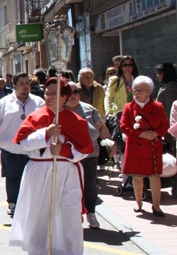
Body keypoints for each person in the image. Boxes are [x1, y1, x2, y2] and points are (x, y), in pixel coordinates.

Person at [9, 77, 94, 255]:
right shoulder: (36, 117)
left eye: (55, 94)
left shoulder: (76, 120)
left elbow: (85, 150)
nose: (49, 97)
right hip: (40, 170)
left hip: (67, 172)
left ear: (65, 97)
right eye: (47, 93)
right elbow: (23, 144)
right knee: (40, 212)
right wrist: (45, 134)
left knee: (71, 215)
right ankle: (37, 253)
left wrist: (64, 149)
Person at [0, 73, 45, 217]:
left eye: (27, 84)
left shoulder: (38, 102)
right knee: (12, 177)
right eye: (22, 84)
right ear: (14, 85)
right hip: (10, 149)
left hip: (33, 150)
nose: (25, 87)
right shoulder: (4, 102)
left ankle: (32, 205)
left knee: (33, 179)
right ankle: (13, 204)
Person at [120, 76, 170, 216]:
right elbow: (124, 126)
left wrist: (155, 133)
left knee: (154, 176)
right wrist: (140, 135)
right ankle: (138, 202)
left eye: (141, 90)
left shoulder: (157, 106)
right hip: (136, 144)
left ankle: (157, 206)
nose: (137, 93)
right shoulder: (128, 107)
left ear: (149, 91)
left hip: (153, 145)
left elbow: (165, 125)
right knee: (137, 176)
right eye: (135, 90)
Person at [65, 82, 111, 229]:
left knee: (90, 185)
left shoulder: (89, 109)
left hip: (90, 154)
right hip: (68, 156)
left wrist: (109, 142)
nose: (73, 96)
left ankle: (91, 213)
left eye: (76, 92)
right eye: (69, 93)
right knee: (70, 186)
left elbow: (101, 127)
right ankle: (72, 215)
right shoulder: (59, 111)